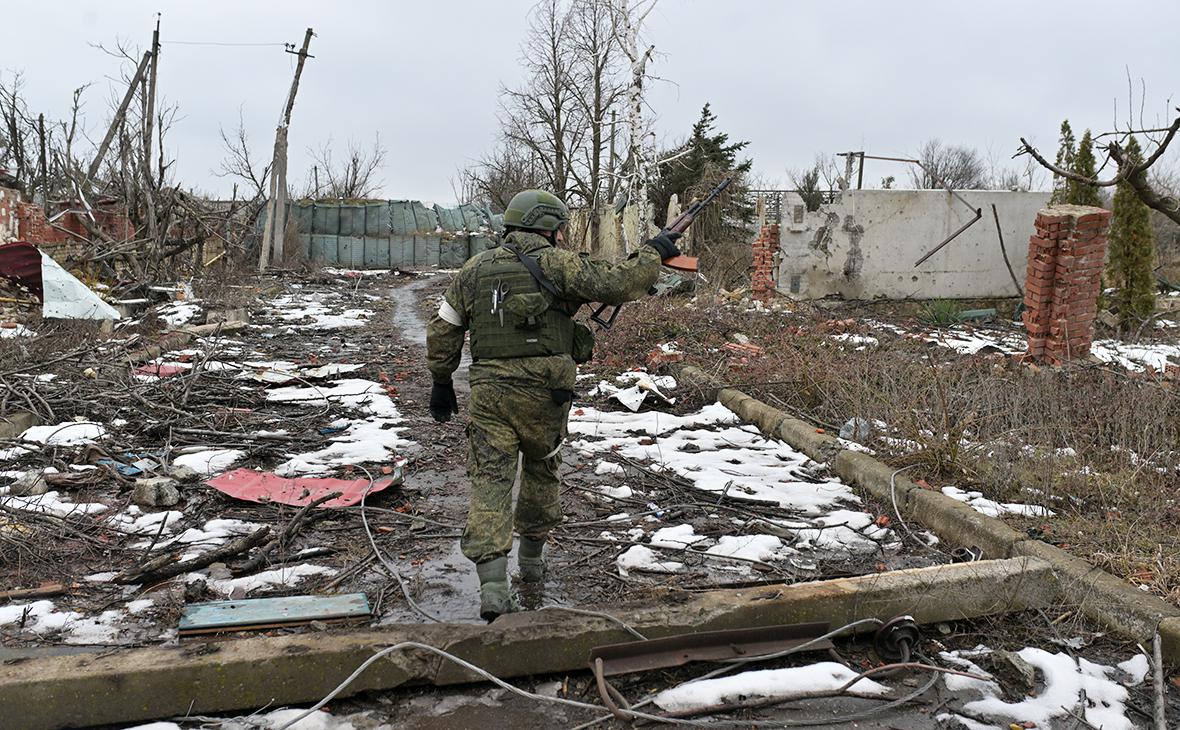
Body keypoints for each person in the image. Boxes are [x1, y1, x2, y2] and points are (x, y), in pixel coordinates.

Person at [425, 189, 681, 620]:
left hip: (490, 396)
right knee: (542, 470)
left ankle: (492, 589)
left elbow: (444, 327)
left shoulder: (473, 270)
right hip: (547, 394)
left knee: (490, 480)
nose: (562, 235)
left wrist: (440, 379)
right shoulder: (559, 264)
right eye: (559, 227)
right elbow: (620, 283)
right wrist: (653, 252)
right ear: (548, 226)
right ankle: (531, 565)